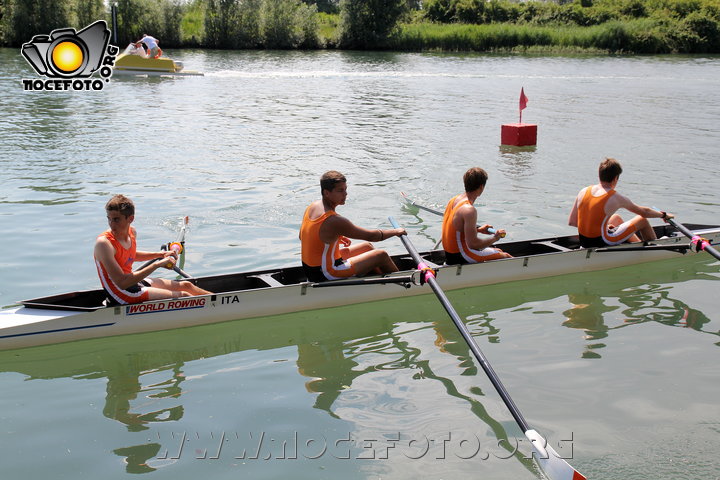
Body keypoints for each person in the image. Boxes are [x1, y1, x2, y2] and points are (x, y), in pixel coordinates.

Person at [94, 195, 210, 304]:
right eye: (109, 219)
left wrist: (160, 254)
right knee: (184, 296)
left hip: (133, 283)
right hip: (119, 293)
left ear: (130, 219)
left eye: (116, 219)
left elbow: (130, 254)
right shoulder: (104, 244)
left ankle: (220, 302)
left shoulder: (132, 232)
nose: (111, 224)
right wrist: (157, 265)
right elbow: (122, 283)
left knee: (186, 286)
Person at [300, 171, 406, 282]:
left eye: (345, 189)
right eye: (340, 190)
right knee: (381, 255)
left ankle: (380, 279)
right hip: (325, 273)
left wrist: (335, 237)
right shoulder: (334, 220)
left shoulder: (312, 207)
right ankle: (403, 284)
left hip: (312, 268)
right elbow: (372, 236)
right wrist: (396, 231)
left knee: (367, 247)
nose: (345, 194)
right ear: (326, 193)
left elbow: (303, 236)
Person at [568, 157, 673, 247]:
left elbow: (572, 222)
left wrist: (600, 228)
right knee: (642, 220)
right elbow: (644, 212)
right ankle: (652, 250)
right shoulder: (616, 197)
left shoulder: (583, 191)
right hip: (601, 241)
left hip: (584, 240)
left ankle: (637, 244)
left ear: (600, 175)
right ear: (615, 179)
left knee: (616, 218)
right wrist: (663, 215)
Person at [442, 167, 512, 265]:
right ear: (481, 187)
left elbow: (457, 227)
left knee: (498, 251)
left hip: (450, 255)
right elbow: (473, 244)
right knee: (506, 256)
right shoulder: (469, 210)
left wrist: (478, 230)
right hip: (462, 255)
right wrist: (496, 238)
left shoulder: (453, 200)